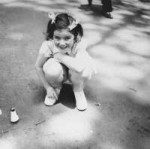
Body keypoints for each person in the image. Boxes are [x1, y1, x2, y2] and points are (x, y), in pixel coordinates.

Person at [35, 12, 97, 111]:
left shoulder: (79, 44)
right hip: (60, 72)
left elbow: (79, 67)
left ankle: (78, 90)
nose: (62, 43)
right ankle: (56, 87)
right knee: (52, 70)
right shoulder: (48, 45)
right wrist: (48, 88)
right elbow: (38, 66)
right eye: (57, 38)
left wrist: (59, 56)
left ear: (75, 36)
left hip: (75, 73)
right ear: (52, 36)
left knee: (84, 69)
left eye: (67, 38)